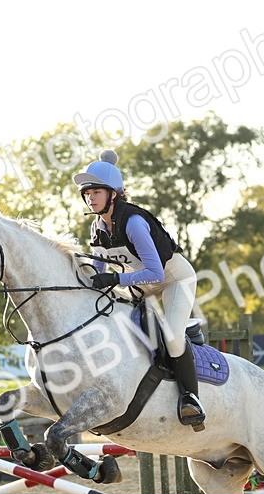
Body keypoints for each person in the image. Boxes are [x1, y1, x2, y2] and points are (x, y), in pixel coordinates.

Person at [73, 149, 206, 430]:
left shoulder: (133, 222)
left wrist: (115, 281)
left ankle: (191, 398)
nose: (90, 197)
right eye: (86, 192)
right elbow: (99, 270)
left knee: (171, 338)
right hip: (141, 285)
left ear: (113, 194)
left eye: (96, 191)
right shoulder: (97, 229)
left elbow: (156, 272)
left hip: (174, 280)